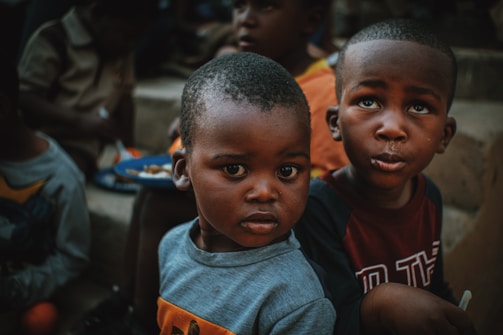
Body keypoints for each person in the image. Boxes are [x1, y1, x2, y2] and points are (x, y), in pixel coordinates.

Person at [70, 1, 348, 333]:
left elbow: (324, 179)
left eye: (264, 7)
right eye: (239, 7)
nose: (246, 19)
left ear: (311, 20)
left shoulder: (297, 305)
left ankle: (137, 319)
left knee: (158, 203)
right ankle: (132, 306)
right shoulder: (173, 246)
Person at [294, 18, 479, 335]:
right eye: (369, 101)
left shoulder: (429, 197)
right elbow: (323, 321)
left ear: (444, 135)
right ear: (336, 123)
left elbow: (433, 288)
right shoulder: (314, 209)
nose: (392, 127)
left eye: (419, 107)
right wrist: (380, 305)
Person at [158, 51, 336, 335]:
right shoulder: (172, 246)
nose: (265, 193)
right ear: (183, 171)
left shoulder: (296, 302)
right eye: (235, 169)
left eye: (287, 171)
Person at [0, 53, 91, 334]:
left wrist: (13, 289)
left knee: (40, 318)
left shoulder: (60, 179)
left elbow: (73, 256)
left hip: (22, 287)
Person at [17, 0, 159, 179]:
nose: (131, 45)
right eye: (126, 35)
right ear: (98, 14)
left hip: (84, 147)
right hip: (45, 139)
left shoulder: (121, 51)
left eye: (136, 39)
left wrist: (129, 151)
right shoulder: (54, 40)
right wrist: (77, 120)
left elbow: (125, 97)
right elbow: (25, 97)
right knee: (63, 174)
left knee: (76, 166)